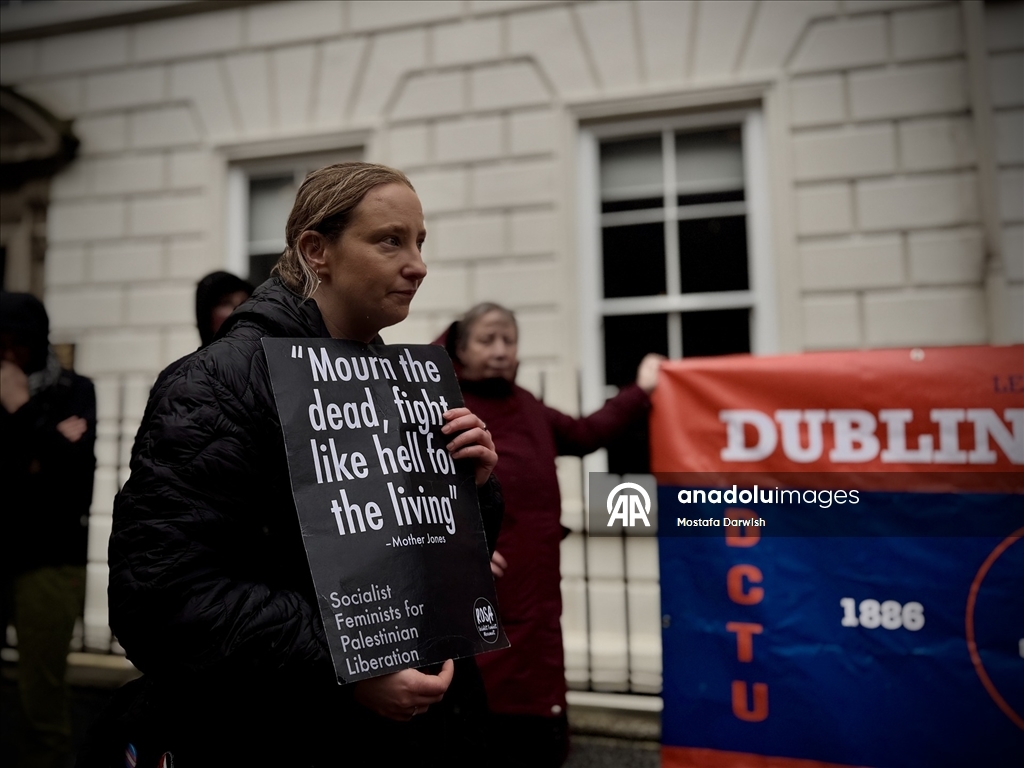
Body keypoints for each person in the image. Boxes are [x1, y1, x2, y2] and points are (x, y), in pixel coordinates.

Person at [88, 163, 501, 767]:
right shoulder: (216, 383)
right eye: (390, 241)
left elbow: (428, 561)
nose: (418, 265)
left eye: (419, 242)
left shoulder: (401, 381)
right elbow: (162, 598)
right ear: (316, 251)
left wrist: (473, 486)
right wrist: (346, 667)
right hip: (270, 734)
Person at [437, 302, 663, 767]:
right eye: (487, 339)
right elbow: (410, 493)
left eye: (509, 339)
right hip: (480, 590)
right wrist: (458, 546)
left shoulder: (529, 405)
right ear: (460, 348)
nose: (501, 350)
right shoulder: (443, 406)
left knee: (537, 699)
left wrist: (641, 390)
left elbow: (585, 433)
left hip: (536, 587)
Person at [1, 291, 96, 768]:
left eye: (16, 342)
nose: (8, 355)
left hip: (50, 559)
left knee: (42, 700)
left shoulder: (74, 390)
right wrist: (47, 443)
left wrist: (21, 408)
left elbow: (73, 482)